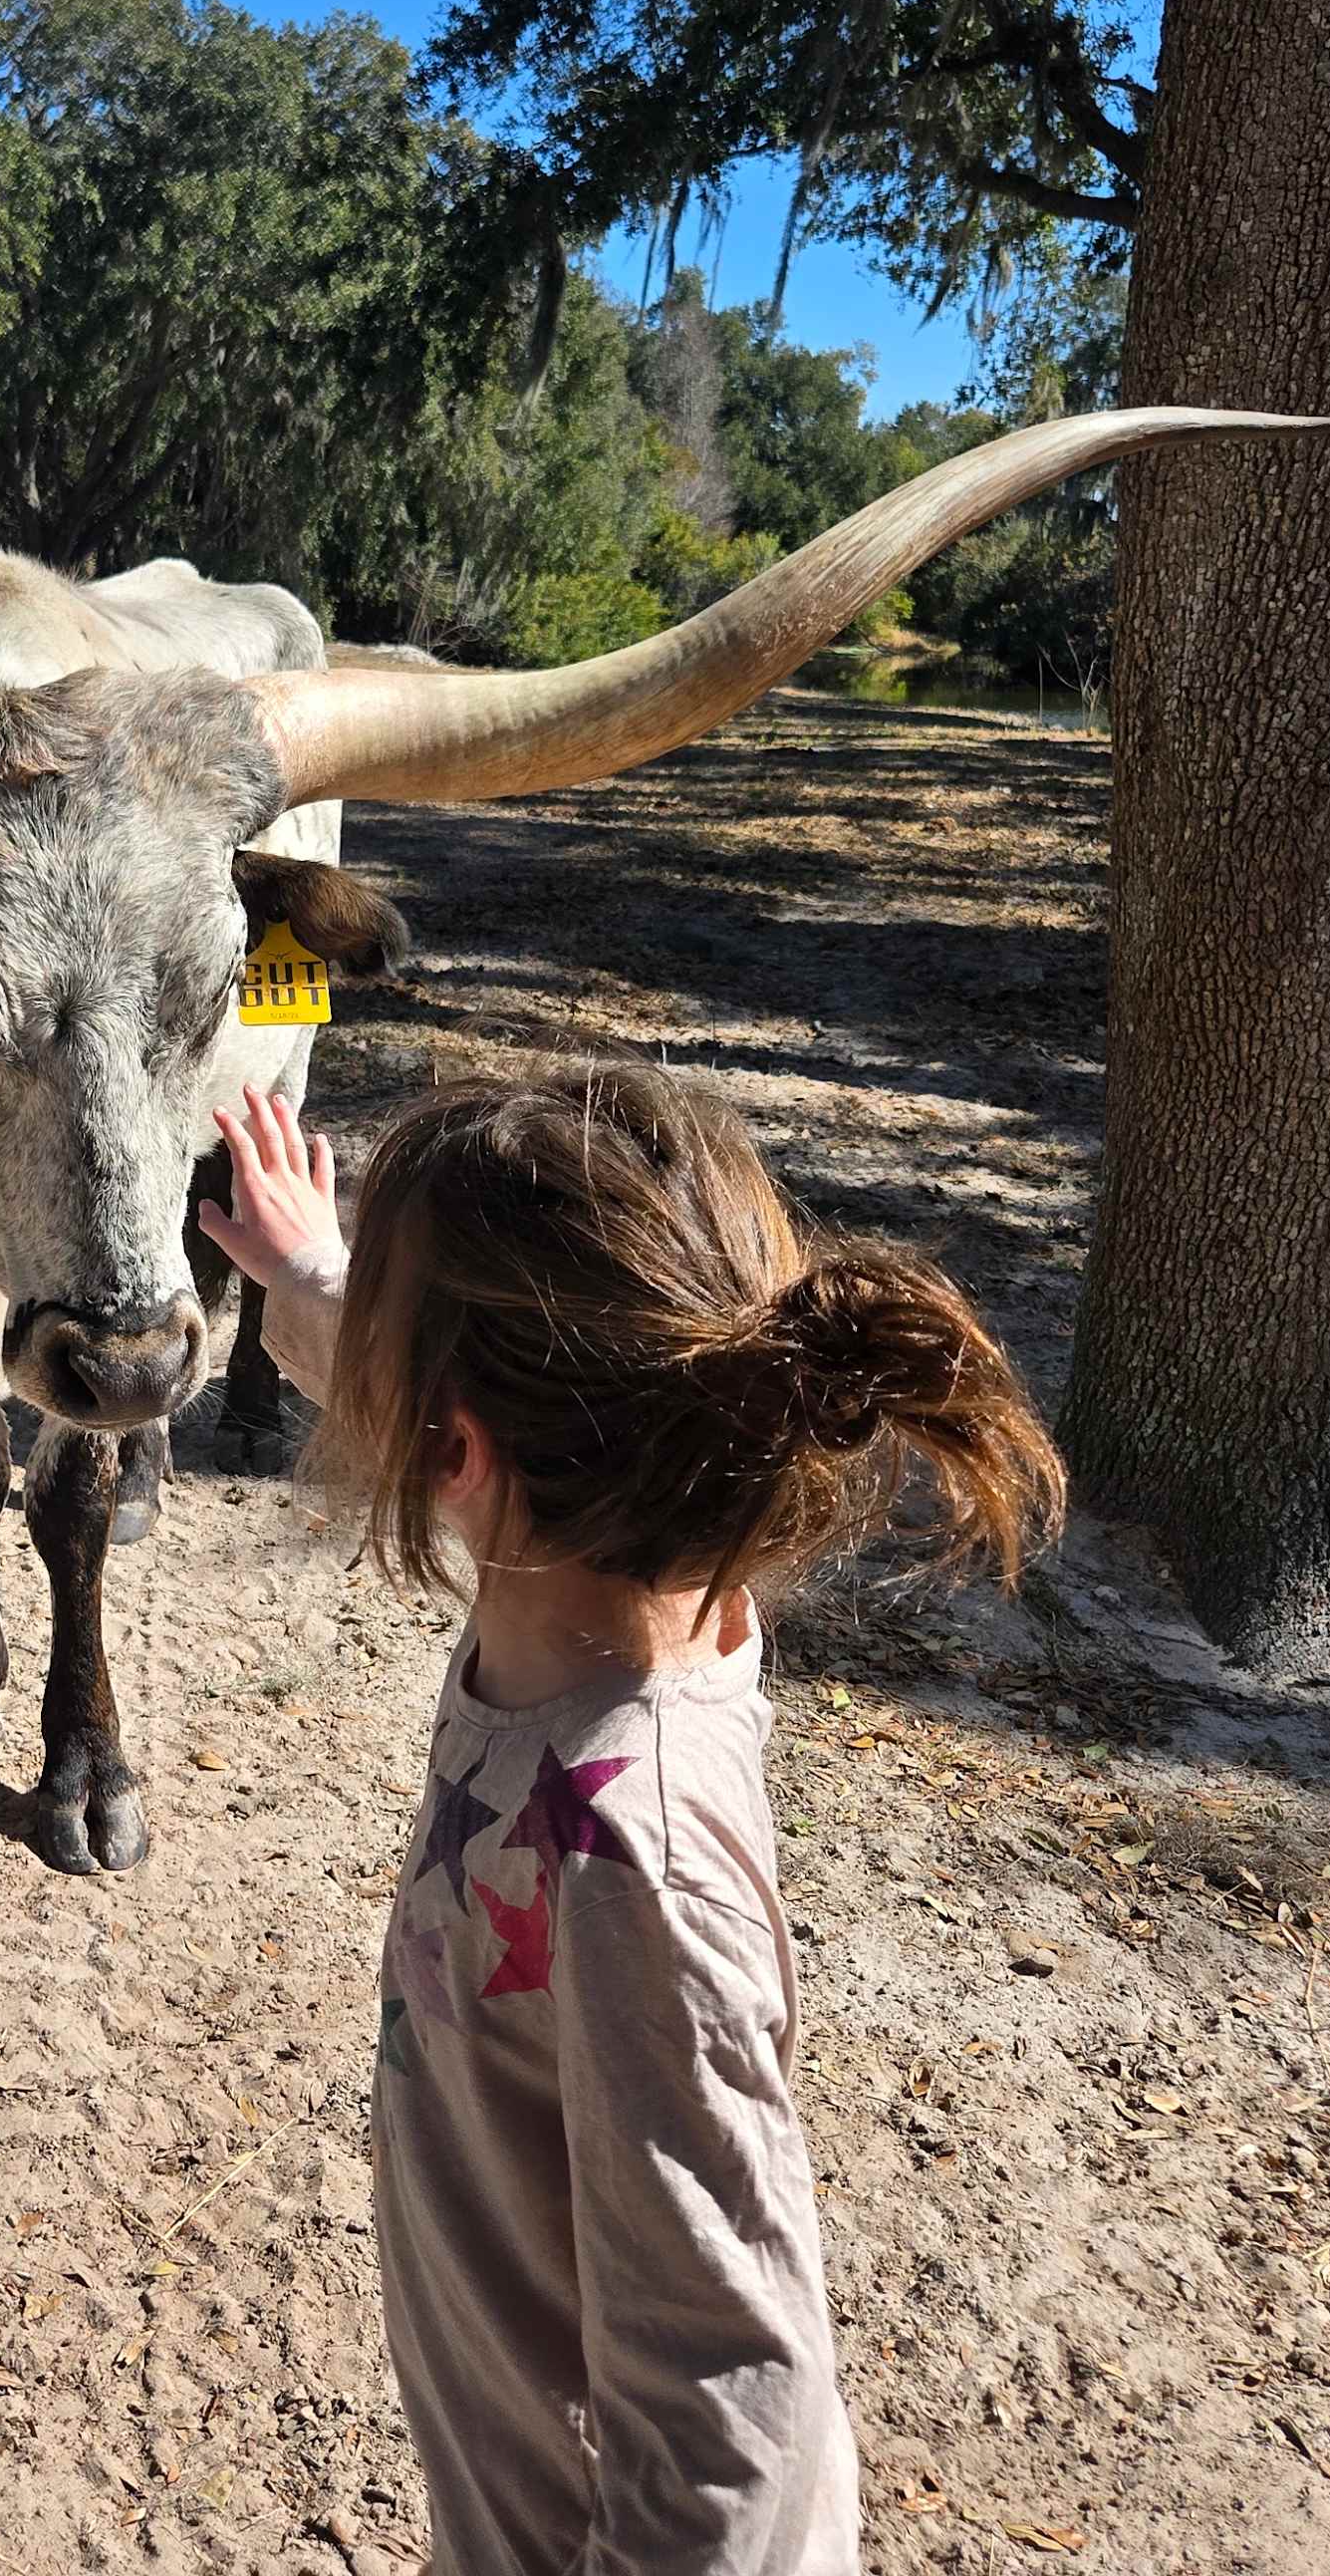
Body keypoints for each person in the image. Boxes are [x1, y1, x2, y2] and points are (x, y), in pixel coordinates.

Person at [196, 1062, 1063, 2576]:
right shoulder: (655, 1561)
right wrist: (311, 1268)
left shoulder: (627, 1869)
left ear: (452, 1454)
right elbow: (491, 1398)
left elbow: (736, 2424)